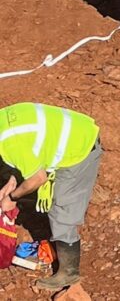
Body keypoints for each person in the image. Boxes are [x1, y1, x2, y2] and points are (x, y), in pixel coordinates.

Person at [0, 103, 102, 292]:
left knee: (62, 211)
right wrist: (12, 183)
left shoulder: (10, 143)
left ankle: (69, 272)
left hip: (79, 150)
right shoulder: (4, 124)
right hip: (77, 130)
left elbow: (38, 177)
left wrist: (12, 197)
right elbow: (26, 152)